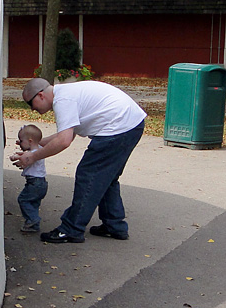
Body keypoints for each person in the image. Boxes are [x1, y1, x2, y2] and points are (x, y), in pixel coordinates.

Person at [10, 77, 146, 243]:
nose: (32, 109)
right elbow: (67, 134)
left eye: (30, 104)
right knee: (106, 178)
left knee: (88, 175)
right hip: (131, 123)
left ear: (40, 96)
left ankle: (71, 229)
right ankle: (114, 225)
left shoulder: (63, 100)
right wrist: (35, 145)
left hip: (119, 127)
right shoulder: (66, 94)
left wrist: (32, 157)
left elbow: (64, 141)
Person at [14, 124, 47, 233]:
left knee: (23, 200)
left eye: (21, 140)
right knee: (34, 203)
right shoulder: (40, 150)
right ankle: (33, 225)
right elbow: (27, 153)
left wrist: (15, 157)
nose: (20, 143)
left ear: (30, 141)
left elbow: (22, 157)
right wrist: (23, 144)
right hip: (41, 183)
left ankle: (33, 219)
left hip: (34, 183)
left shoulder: (33, 154)